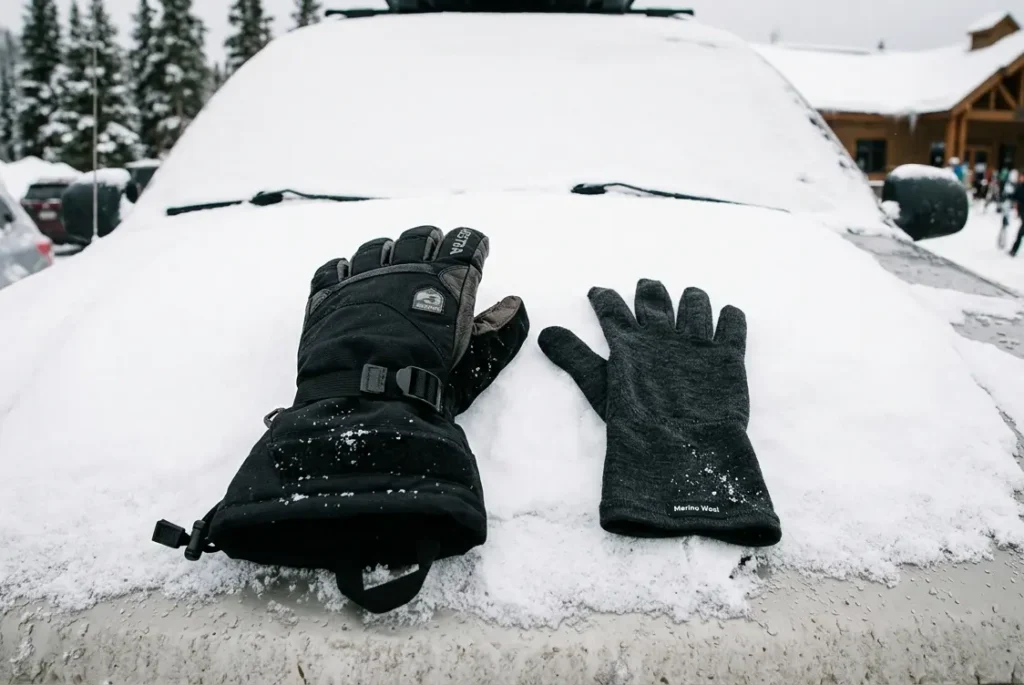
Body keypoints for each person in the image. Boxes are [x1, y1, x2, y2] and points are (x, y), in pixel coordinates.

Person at [1010, 171, 1024, 257]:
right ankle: (1014, 250)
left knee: (1020, 233)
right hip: (1022, 212)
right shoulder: (1019, 186)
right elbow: (1014, 197)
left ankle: (1014, 250)